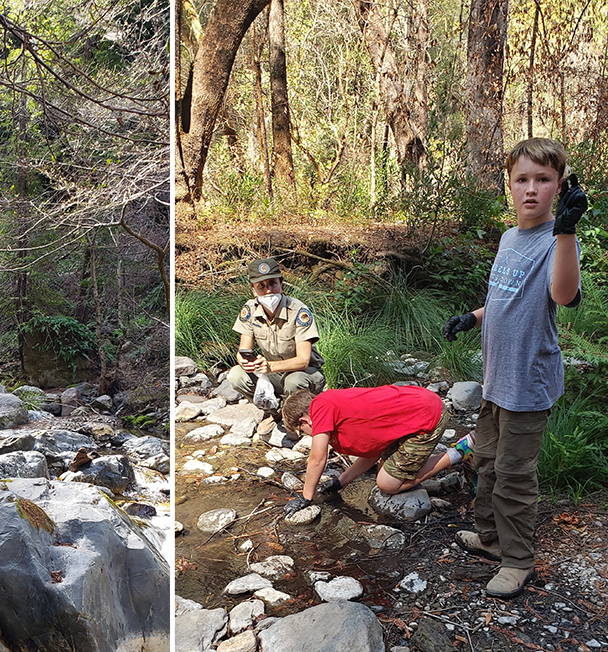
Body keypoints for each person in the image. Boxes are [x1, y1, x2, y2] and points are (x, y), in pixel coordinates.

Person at [443, 137, 585, 599]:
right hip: (496, 380)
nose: (531, 189)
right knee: (485, 461)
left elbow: (562, 295)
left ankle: (519, 560)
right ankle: (490, 539)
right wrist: (474, 318)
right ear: (508, 184)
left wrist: (566, 230)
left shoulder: (557, 241)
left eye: (543, 180)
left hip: (528, 381)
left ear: (558, 186)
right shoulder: (509, 238)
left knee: (515, 475)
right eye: (522, 179)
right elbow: (504, 299)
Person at [280, 385, 474, 517]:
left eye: (302, 432)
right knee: (385, 471)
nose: (307, 436)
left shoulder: (320, 407)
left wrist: (305, 496)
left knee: (387, 484)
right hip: (414, 411)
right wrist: (340, 482)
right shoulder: (333, 409)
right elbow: (371, 452)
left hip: (427, 417)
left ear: (305, 421)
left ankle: (460, 451)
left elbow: (317, 459)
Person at [228, 257, 325, 437]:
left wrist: (270, 367)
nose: (268, 290)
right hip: (272, 372)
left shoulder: (298, 311)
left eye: (273, 283)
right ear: (253, 289)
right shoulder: (249, 310)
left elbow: (303, 361)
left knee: (294, 381)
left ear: (282, 284)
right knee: (235, 375)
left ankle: (297, 420)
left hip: (305, 374)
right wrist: (243, 361)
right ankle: (276, 413)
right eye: (261, 286)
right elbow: (243, 350)